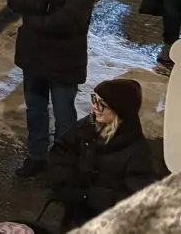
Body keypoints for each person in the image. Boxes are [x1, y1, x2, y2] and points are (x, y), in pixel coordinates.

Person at [8, 0, 100, 178]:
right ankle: (36, 156)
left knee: (63, 115)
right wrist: (43, 6)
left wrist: (32, 18)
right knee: (35, 110)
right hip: (34, 56)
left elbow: (68, 21)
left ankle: (64, 163)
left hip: (63, 60)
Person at [45, 78, 158, 228]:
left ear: (119, 110)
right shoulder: (89, 124)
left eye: (102, 104)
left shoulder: (137, 152)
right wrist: (67, 184)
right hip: (76, 209)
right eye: (94, 99)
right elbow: (62, 150)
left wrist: (98, 197)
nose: (94, 107)